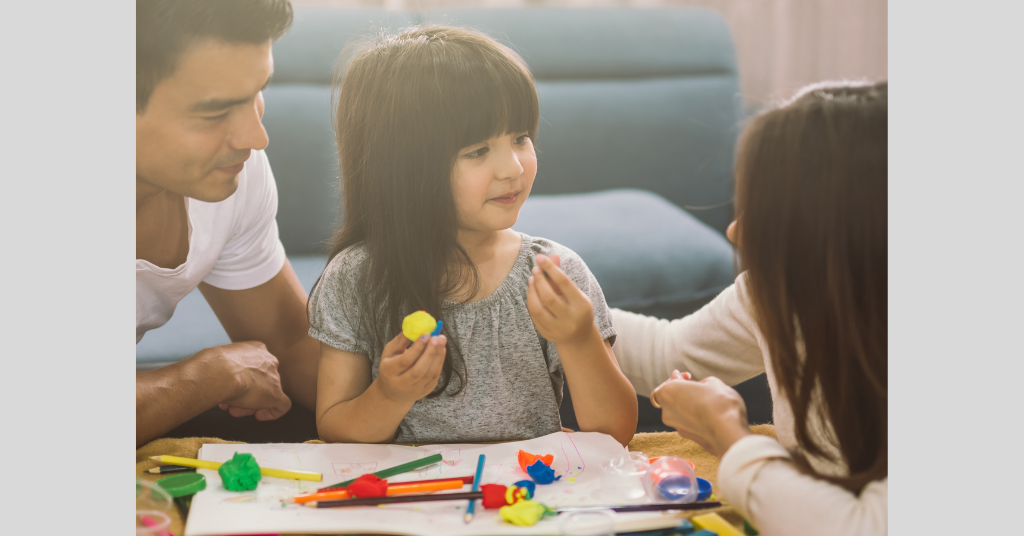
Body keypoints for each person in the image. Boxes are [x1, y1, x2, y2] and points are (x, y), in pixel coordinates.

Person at [309, 26, 638, 446]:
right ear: (405, 169)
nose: (513, 168)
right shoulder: (355, 279)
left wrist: (579, 338)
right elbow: (336, 431)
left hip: (529, 499)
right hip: (414, 502)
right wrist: (391, 394)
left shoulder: (555, 274)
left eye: (520, 138)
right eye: (478, 151)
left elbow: (614, 433)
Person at [611, 81, 888, 534]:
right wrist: (566, 309)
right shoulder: (779, 292)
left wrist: (728, 436)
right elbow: (671, 354)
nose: (736, 233)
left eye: (770, 212)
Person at [136, 0, 320, 446]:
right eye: (215, 113)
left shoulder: (235, 174)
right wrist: (209, 376)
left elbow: (291, 347)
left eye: (258, 91)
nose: (256, 138)